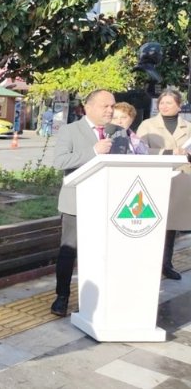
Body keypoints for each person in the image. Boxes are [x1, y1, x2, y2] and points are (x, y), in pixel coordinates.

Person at [50, 90, 130, 317]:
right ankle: (62, 296)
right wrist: (94, 151)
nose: (110, 110)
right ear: (88, 107)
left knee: (100, 253)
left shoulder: (119, 133)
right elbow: (60, 161)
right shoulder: (70, 130)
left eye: (112, 106)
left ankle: (96, 299)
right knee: (69, 252)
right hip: (76, 201)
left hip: (108, 204)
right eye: (105, 106)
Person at [136, 89, 191, 280]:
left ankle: (166, 264)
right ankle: (146, 264)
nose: (164, 106)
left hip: (181, 179)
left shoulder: (188, 127)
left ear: (179, 105)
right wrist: (168, 153)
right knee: (151, 222)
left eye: (169, 103)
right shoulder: (148, 125)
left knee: (171, 225)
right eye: (162, 103)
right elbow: (139, 151)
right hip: (155, 179)